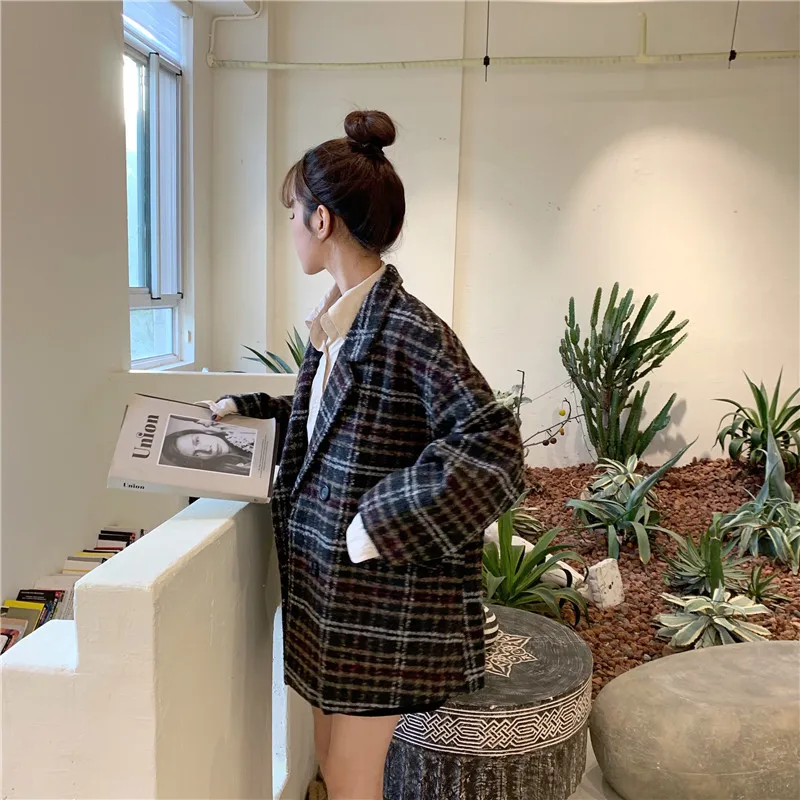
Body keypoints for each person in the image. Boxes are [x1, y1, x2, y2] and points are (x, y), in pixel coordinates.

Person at [203, 110, 525, 800]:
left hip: (380, 606)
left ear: (321, 220)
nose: (291, 227)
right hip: (331, 600)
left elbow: (494, 448)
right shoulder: (341, 321)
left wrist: (377, 522)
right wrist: (255, 408)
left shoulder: (408, 328)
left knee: (351, 777)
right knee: (329, 760)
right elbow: (341, 419)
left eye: (292, 213)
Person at [159, 418, 254, 476]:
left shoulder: (238, 427)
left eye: (197, 441)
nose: (207, 449)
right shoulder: (235, 473)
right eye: (196, 454)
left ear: (203, 433)